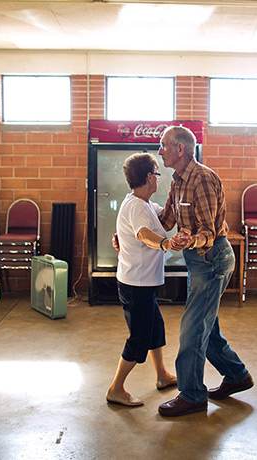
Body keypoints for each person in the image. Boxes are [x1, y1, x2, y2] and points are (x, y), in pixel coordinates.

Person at [156, 126, 253, 417]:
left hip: (213, 259)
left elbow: (209, 231)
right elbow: (166, 220)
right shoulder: (177, 181)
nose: (160, 151)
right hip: (198, 261)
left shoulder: (203, 179)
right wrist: (131, 229)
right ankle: (237, 376)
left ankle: (193, 395)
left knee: (193, 328)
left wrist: (192, 239)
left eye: (164, 146)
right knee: (204, 326)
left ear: (180, 149)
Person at [106, 152, 177, 407]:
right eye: (157, 174)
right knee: (139, 339)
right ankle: (116, 388)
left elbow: (166, 216)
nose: (158, 179)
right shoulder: (136, 206)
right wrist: (165, 244)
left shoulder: (145, 203)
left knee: (155, 329)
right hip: (136, 285)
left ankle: (161, 376)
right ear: (149, 177)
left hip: (143, 284)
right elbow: (144, 234)